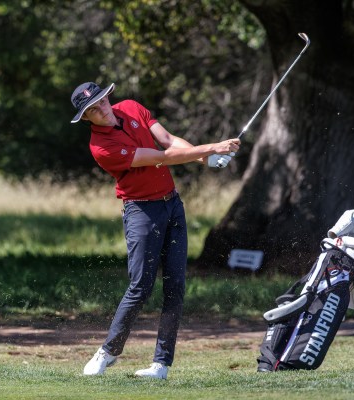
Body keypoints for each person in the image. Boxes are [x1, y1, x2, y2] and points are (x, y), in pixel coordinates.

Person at [70, 81, 240, 379]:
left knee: (175, 287)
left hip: (172, 205)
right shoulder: (102, 148)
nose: (101, 110)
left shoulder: (132, 108)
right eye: (92, 110)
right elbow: (160, 157)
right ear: (86, 118)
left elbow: (168, 140)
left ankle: (161, 364)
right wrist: (211, 147)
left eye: (101, 101)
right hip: (141, 212)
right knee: (141, 286)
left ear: (108, 97)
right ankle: (108, 351)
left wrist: (202, 158)